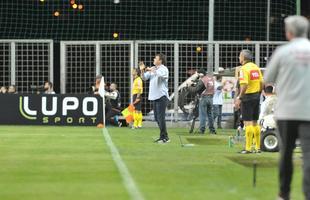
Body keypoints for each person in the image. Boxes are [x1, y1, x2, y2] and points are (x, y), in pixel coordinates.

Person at [264, 15, 310, 200]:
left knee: (286, 153)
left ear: (289, 32)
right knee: (308, 155)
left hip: (286, 111)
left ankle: (284, 193)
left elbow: (268, 78)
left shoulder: (283, 51)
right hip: (308, 112)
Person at [235, 49, 264, 154]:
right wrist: (259, 93)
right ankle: (257, 147)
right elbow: (261, 82)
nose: (239, 58)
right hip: (256, 96)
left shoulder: (243, 69)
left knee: (247, 123)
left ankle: (247, 148)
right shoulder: (256, 67)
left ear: (243, 58)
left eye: (239, 56)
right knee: (255, 122)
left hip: (247, 97)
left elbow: (244, 85)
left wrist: (239, 97)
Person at [140, 53, 170, 143]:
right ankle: (164, 136)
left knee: (161, 117)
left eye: (155, 58)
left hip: (162, 96)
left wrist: (151, 70)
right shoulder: (154, 69)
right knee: (157, 118)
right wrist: (142, 70)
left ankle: (164, 137)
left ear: (160, 60)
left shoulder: (164, 69)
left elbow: (161, 75)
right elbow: (144, 78)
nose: (153, 59)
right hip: (155, 96)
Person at [187, 68, 216, 134]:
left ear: (201, 74)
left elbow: (196, 89)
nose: (198, 76)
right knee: (210, 114)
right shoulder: (211, 79)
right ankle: (212, 130)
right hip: (211, 98)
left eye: (198, 74)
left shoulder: (203, 80)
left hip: (204, 98)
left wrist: (189, 86)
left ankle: (202, 129)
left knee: (202, 114)